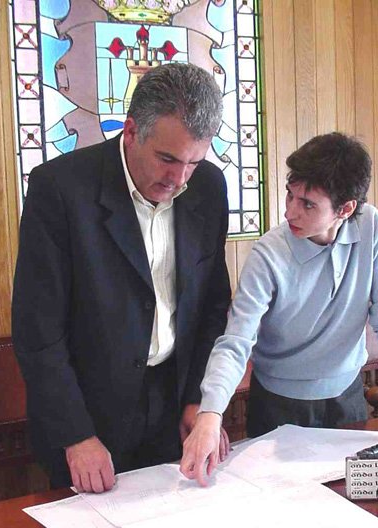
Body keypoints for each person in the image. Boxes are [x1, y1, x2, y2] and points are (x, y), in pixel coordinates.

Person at [12, 63, 231, 493]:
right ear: (131, 131)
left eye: (193, 161)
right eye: (167, 159)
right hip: (88, 412)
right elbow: (38, 331)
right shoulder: (59, 190)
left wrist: (197, 399)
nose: (179, 179)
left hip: (173, 404)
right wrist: (76, 434)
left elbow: (213, 305)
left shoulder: (207, 186)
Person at [180, 132, 378, 486]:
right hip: (279, 404)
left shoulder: (370, 225)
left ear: (346, 209)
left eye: (308, 204)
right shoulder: (268, 254)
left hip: (347, 397)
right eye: (289, 195)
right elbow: (236, 341)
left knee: (353, 511)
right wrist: (210, 414)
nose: (289, 211)